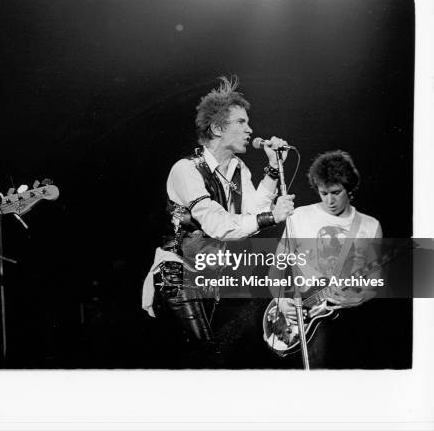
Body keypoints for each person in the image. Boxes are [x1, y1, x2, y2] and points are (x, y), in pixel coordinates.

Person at [142, 75, 294, 367]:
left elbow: (249, 212)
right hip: (179, 277)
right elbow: (219, 225)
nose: (250, 129)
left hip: (212, 278)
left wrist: (274, 171)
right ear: (216, 128)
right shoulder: (186, 170)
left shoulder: (239, 168)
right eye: (241, 122)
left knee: (228, 351)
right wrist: (271, 216)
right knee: (207, 357)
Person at [273, 150, 383, 368]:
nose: (329, 200)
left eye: (336, 192)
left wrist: (362, 297)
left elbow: (376, 280)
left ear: (349, 188)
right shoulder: (300, 216)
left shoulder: (370, 225)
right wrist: (279, 299)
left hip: (352, 320)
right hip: (307, 320)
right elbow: (276, 267)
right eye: (323, 193)